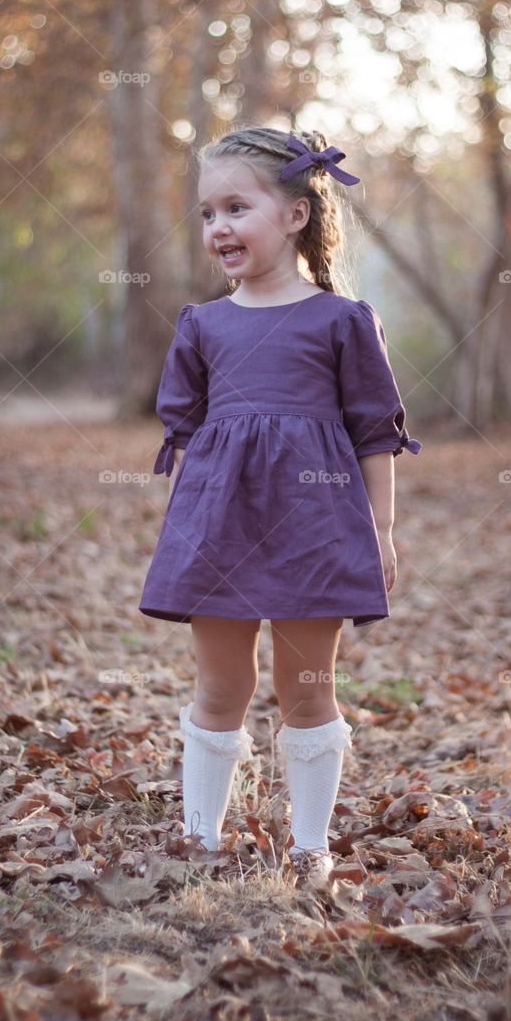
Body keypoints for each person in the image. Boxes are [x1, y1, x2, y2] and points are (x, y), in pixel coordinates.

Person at [138, 126, 422, 888]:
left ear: (296, 214)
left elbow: (374, 433)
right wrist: (188, 539)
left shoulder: (341, 321)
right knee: (221, 686)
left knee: (307, 689)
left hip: (315, 529)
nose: (219, 227)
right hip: (218, 531)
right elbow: (189, 442)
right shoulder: (202, 325)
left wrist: (380, 530)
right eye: (206, 213)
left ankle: (308, 847)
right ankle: (200, 837)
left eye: (237, 206)